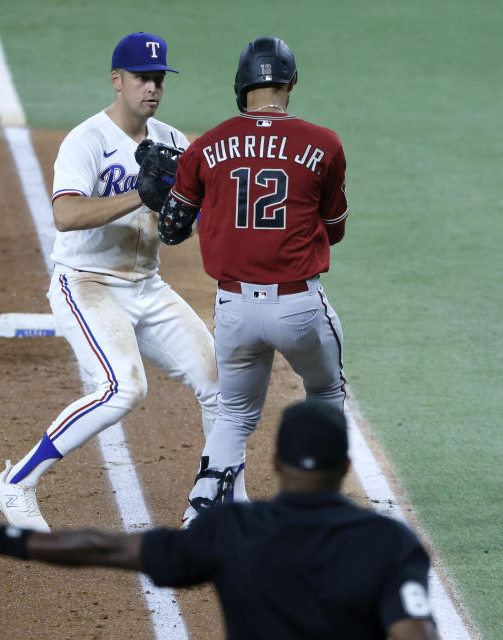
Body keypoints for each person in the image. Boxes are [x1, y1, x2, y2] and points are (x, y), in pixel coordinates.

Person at [0, 400, 440, 640]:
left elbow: (108, 548)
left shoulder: (230, 530)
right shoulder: (389, 543)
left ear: (273, 464)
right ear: (346, 469)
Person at [0, 32, 219, 532]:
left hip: (147, 286)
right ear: (117, 81)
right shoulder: (86, 140)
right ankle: (16, 483)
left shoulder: (175, 142)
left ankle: (218, 501)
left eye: (158, 79)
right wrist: (141, 194)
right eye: (141, 78)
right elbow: (66, 215)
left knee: (219, 381)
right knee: (122, 388)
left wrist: (182, 213)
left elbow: (186, 224)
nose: (151, 88)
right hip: (86, 283)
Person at [155, 37, 349, 525]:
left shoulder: (205, 145)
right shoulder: (323, 144)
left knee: (235, 414)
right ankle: (321, 509)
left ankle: (198, 512)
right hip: (298, 308)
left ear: (241, 86)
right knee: (326, 393)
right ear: (292, 82)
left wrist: (175, 195)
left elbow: (171, 231)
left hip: (234, 309)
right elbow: (335, 229)